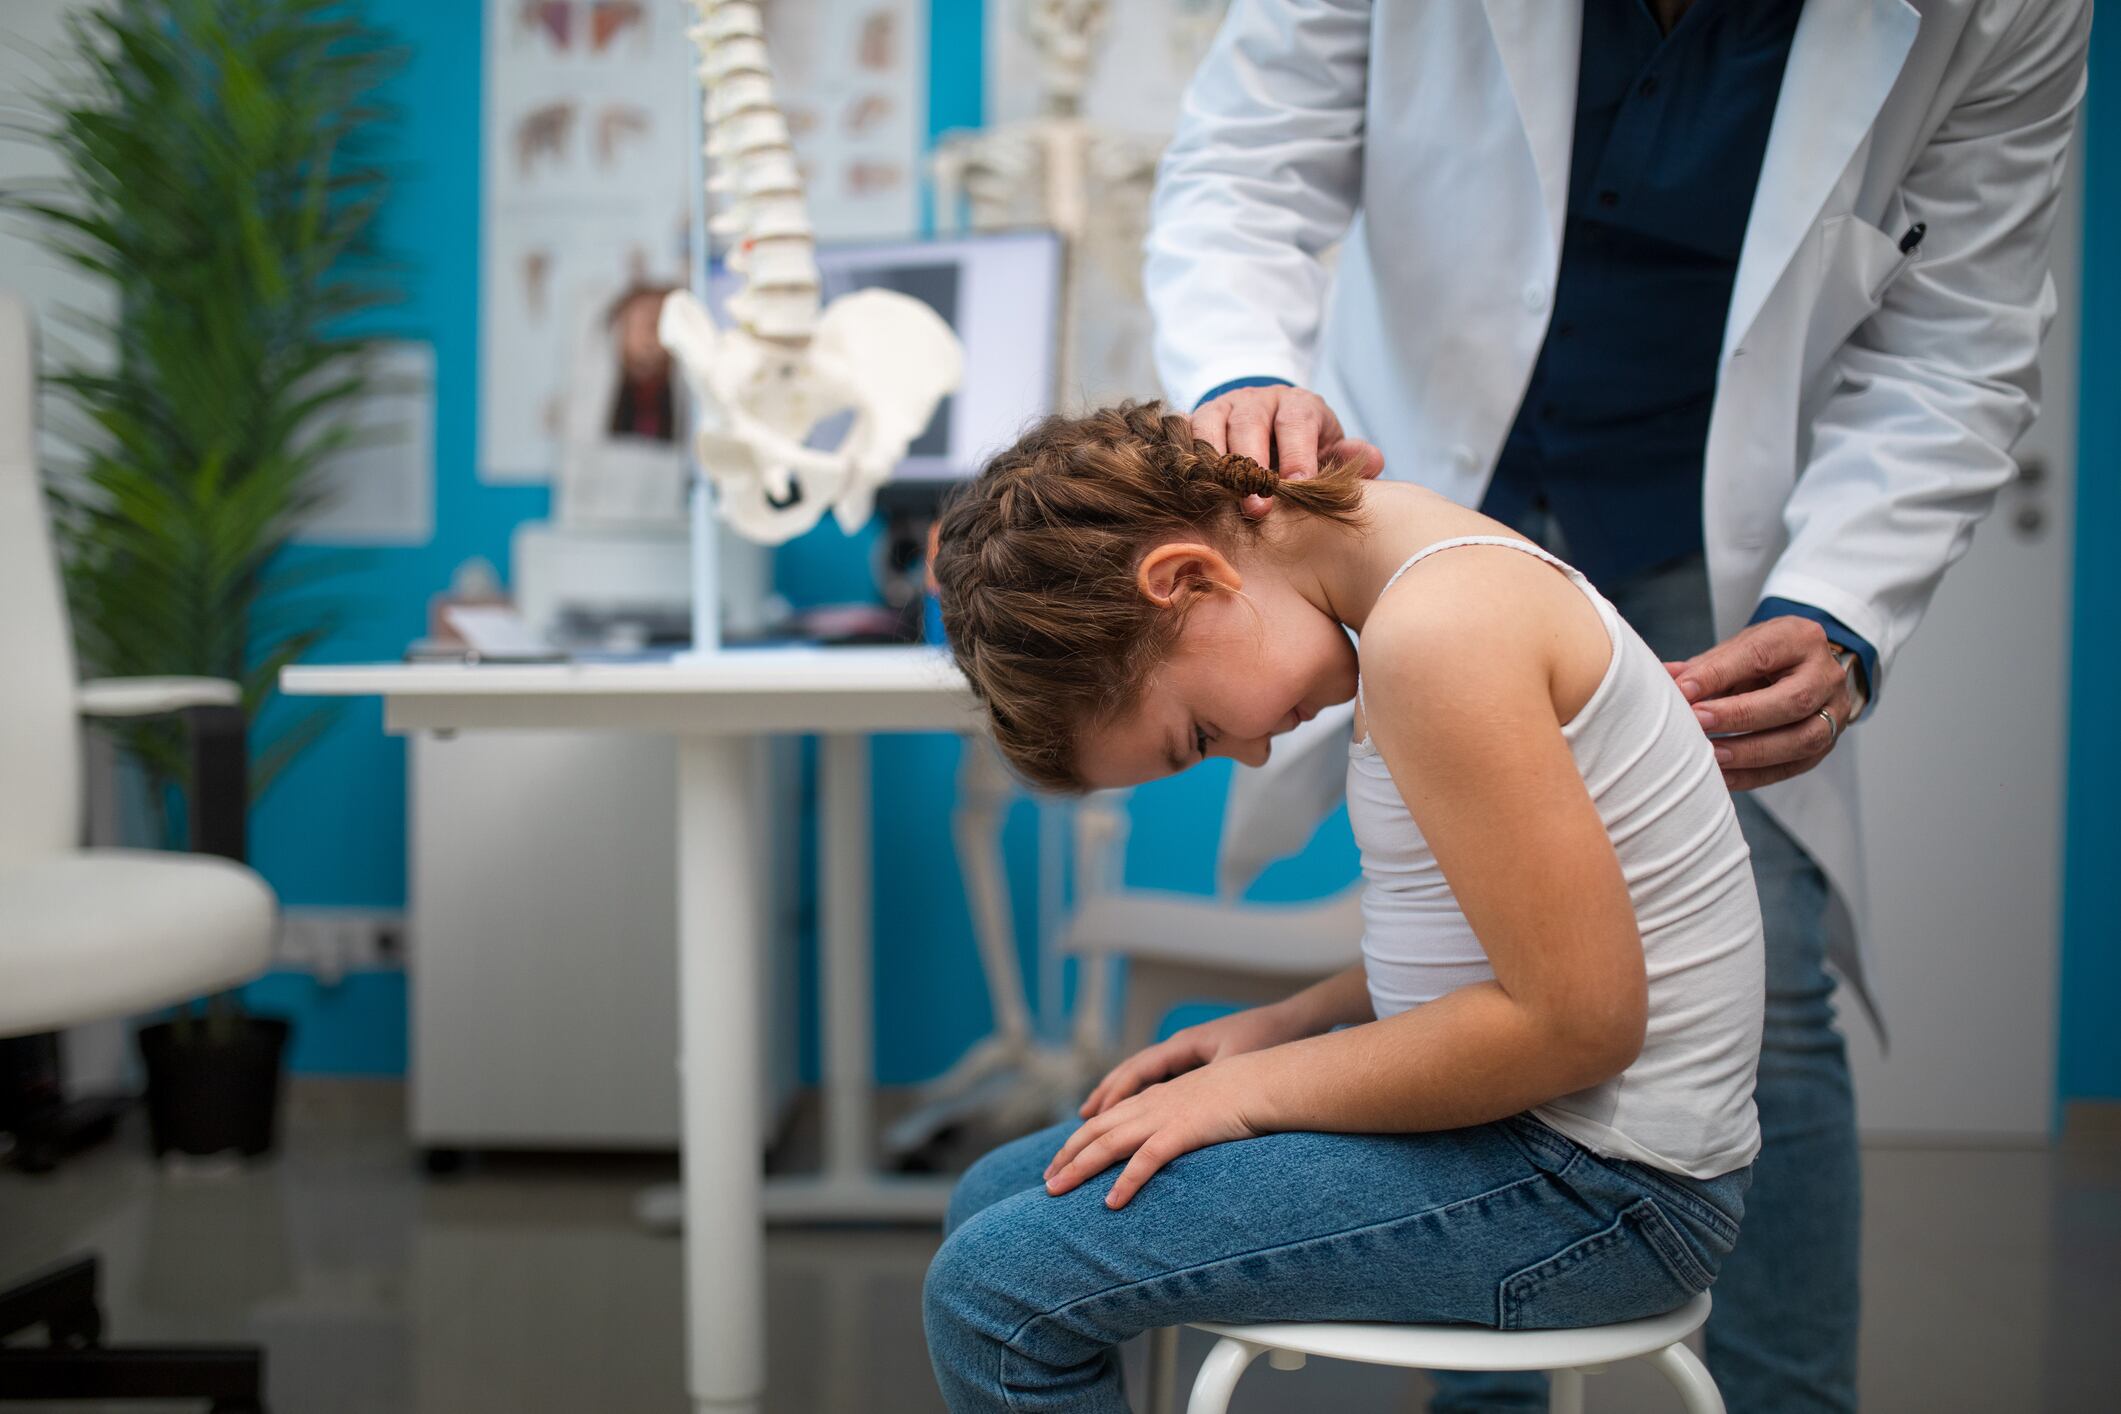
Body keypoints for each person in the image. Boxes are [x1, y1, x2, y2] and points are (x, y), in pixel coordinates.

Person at [1144, 3, 2089, 1409]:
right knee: (1470, 957)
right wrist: (1237, 373)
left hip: (1706, 533)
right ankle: (1490, 1374)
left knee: (1766, 983)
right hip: (1433, 475)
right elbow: (1244, 164)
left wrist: (1839, 604)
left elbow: (1961, 331)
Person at [921, 402, 1766, 1413]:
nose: (1251, 753)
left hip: (1600, 1193)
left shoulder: (1441, 635)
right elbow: (1508, 935)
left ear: (1188, 579)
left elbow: (1579, 1021)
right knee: (993, 1200)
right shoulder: (1421, 588)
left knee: (995, 1295)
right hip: (1555, 1150)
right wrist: (1298, 1017)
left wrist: (1251, 1091)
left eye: (1195, 733)